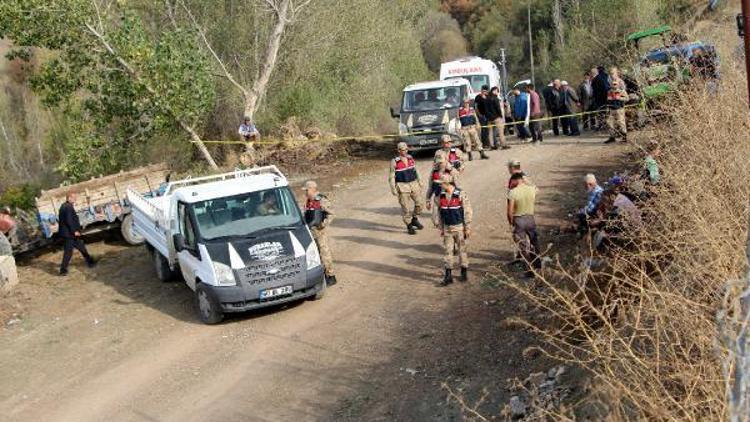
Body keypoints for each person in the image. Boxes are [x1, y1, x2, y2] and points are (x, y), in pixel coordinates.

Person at [432, 175, 473, 286]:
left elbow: (467, 211)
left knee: (462, 250)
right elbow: (440, 212)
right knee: (448, 251)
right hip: (447, 228)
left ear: (447, 183)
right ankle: (448, 276)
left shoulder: (460, 194)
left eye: (441, 183)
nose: (439, 185)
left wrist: (467, 228)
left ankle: (464, 272)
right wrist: (441, 227)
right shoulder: (441, 195)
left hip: (459, 228)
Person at [302, 181, 336, 286]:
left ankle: (330, 275)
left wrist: (323, 224)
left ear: (312, 189)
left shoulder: (321, 200)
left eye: (307, 190)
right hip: (311, 231)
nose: (305, 193)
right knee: (315, 253)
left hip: (320, 231)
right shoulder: (309, 201)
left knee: (324, 252)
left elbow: (332, 214)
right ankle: (321, 275)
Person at [507, 173, 541, 277]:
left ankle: (530, 270)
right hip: (530, 219)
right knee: (534, 242)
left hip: (519, 220)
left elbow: (510, 211)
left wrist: (511, 222)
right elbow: (537, 189)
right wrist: (527, 180)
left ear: (514, 180)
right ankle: (538, 265)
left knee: (523, 246)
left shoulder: (513, 192)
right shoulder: (531, 189)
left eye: (511, 181)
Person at [389, 142, 424, 235]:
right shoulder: (395, 161)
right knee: (406, 208)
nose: (404, 151)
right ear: (398, 150)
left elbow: (416, 170)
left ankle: (415, 219)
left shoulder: (410, 158)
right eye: (401, 149)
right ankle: (409, 226)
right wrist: (393, 188)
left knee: (420, 203)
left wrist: (420, 180)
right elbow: (392, 176)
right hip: (402, 186)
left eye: (405, 149)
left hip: (413, 184)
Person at [58, 192, 96, 276]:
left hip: (69, 233)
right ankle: (62, 270)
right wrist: (74, 231)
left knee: (81, 247)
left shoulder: (64, 206)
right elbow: (69, 220)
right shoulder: (68, 207)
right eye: (74, 198)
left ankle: (90, 261)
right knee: (68, 252)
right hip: (69, 234)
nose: (75, 199)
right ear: (69, 198)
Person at [604, 79, 629, 144]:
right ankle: (612, 137)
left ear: (618, 85)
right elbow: (608, 101)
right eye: (612, 84)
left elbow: (627, 99)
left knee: (621, 123)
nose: (614, 85)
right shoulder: (609, 92)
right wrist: (607, 109)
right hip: (611, 109)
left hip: (619, 109)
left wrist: (620, 98)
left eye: (615, 84)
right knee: (609, 122)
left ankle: (624, 137)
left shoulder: (622, 91)